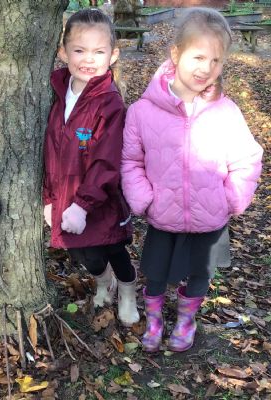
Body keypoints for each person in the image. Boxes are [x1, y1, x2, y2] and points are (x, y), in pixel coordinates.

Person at [121, 7, 263, 353]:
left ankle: (186, 320)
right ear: (176, 54)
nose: (206, 68)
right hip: (163, 214)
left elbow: (247, 158)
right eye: (198, 57)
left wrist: (231, 199)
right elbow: (131, 160)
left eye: (216, 60)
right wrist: (144, 199)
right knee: (156, 272)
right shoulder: (142, 111)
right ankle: (154, 319)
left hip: (210, 215)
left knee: (201, 272)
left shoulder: (226, 112)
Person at [43, 8, 140, 327]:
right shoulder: (58, 91)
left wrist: (83, 204)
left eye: (98, 52)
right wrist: (49, 198)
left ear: (113, 55)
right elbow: (50, 150)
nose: (88, 59)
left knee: (112, 248)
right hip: (65, 196)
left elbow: (106, 160)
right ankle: (103, 282)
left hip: (100, 199)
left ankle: (127, 290)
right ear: (63, 52)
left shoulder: (109, 102)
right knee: (85, 255)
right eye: (79, 50)